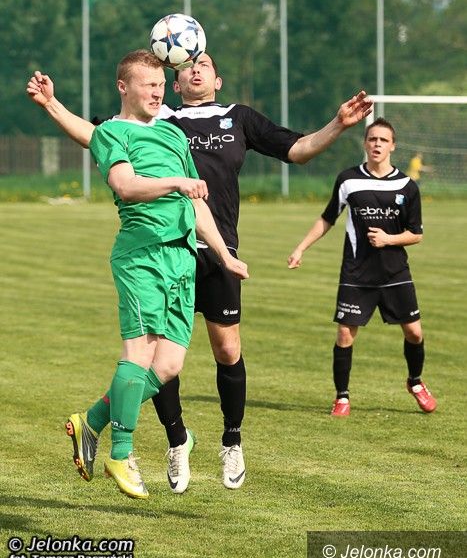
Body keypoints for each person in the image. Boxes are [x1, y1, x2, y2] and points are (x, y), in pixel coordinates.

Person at [26, 51, 373, 492]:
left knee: (182, 361)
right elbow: (101, 144)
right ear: (173, 81)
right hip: (148, 251)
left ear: (217, 78)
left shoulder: (227, 120)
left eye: (202, 62)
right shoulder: (151, 122)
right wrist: (53, 105)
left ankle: (208, 438)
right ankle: (149, 447)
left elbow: (295, 150)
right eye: (177, 69)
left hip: (199, 248)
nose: (190, 70)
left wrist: (338, 124)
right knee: (143, 353)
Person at [26, 50, 248, 500]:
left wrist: (224, 255)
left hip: (182, 259)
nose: (157, 92)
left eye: (161, 85)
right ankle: (120, 454)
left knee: (168, 366)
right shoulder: (112, 133)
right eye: (148, 84)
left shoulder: (172, 133)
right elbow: (126, 186)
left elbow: (196, 204)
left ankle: (91, 421)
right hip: (142, 255)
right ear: (123, 87)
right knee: (139, 355)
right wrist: (176, 183)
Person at [288, 117, 437, 417]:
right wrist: (301, 248)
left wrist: (388, 239)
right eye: (372, 139)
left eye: (383, 140)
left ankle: (416, 382)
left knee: (414, 333)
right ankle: (342, 397)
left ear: (393, 146)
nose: (377, 144)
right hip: (357, 273)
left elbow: (416, 234)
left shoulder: (407, 186)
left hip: (395, 273)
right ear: (365, 144)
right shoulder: (348, 180)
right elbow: (327, 218)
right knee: (345, 334)